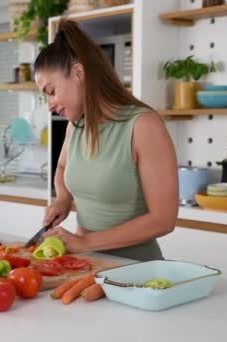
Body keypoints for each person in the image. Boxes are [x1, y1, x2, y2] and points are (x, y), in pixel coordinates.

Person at [36, 19, 178, 261]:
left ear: (79, 73)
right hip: (85, 266)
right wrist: (63, 199)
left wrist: (84, 242)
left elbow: (163, 220)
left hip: (136, 271)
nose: (49, 104)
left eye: (51, 91)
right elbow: (62, 168)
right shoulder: (76, 125)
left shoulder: (143, 126)